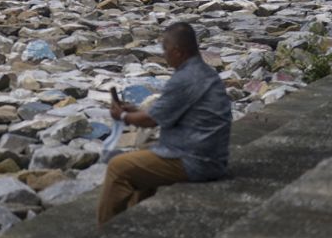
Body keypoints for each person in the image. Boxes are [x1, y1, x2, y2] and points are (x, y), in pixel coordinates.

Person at [97, 21, 232, 226]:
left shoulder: (185, 78)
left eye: (165, 49)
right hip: (210, 155)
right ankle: (133, 221)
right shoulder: (204, 72)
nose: (164, 55)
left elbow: (151, 121)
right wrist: (134, 110)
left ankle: (105, 230)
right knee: (143, 159)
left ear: (177, 52)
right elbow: (166, 111)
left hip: (195, 161)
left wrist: (122, 116)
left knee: (118, 167)